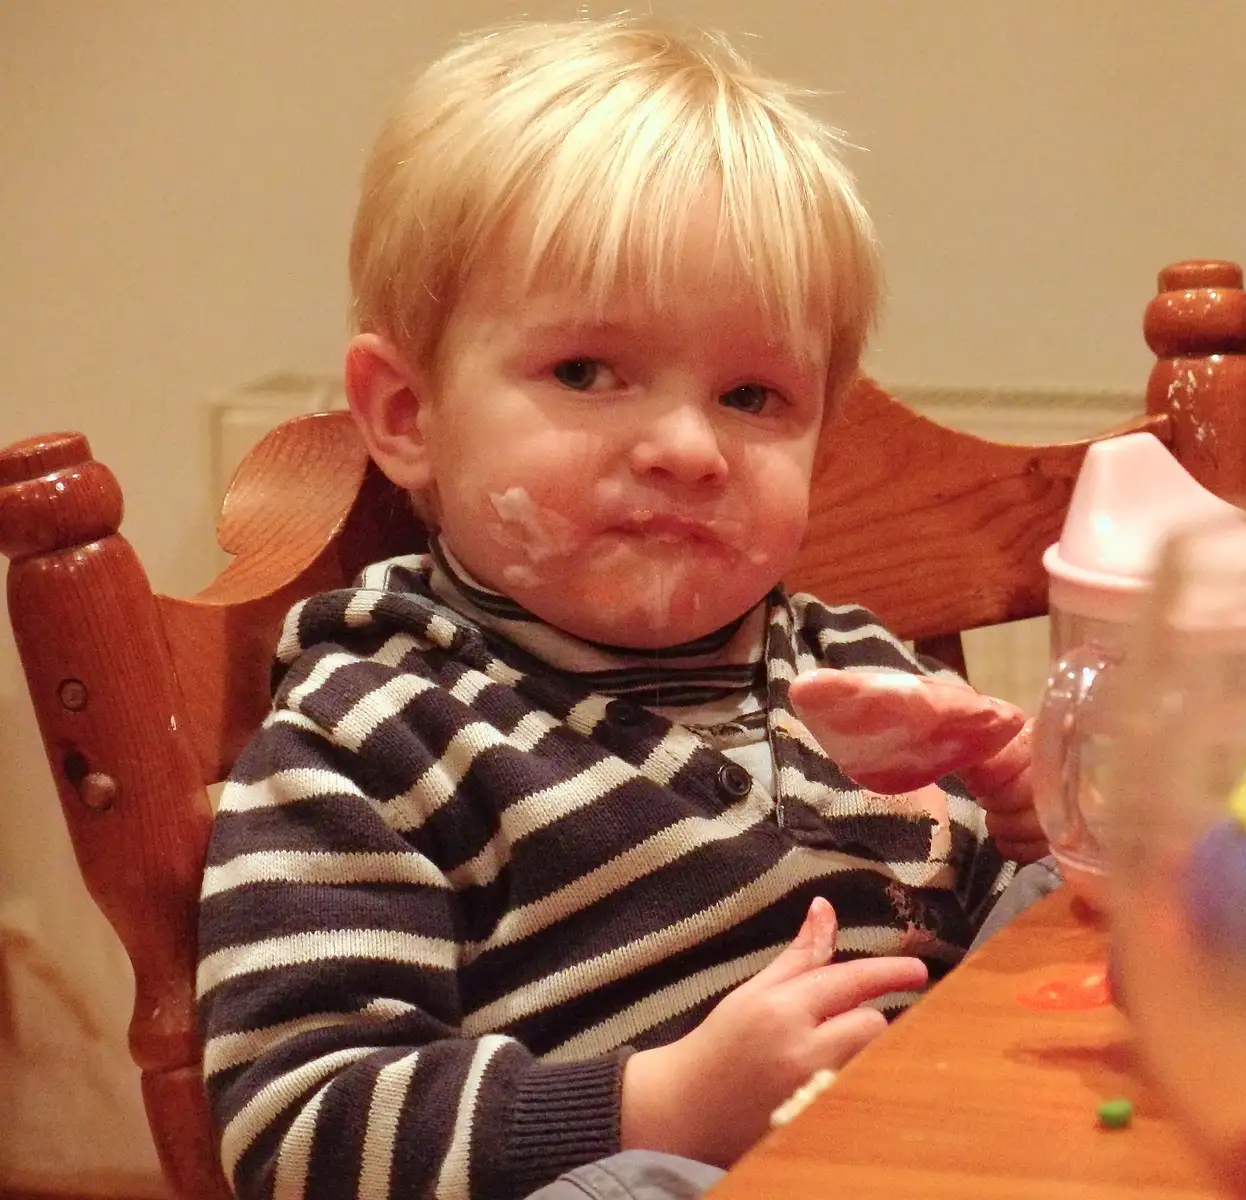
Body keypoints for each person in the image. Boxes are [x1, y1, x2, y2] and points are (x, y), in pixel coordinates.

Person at [197, 16, 1052, 1200]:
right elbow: (295, 1134)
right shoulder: (374, 739)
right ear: (405, 413)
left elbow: (973, 949)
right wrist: (664, 1105)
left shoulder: (855, 665)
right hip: (654, 1173)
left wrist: (1022, 813)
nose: (689, 448)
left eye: (753, 394)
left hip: (940, 1153)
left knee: (1107, 885)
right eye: (588, 372)